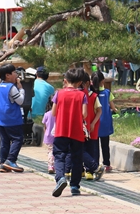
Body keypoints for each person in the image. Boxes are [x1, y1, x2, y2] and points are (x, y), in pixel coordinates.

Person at [51, 68, 89, 197]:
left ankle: (60, 178)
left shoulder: (59, 93)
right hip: (77, 132)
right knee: (77, 159)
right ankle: (75, 186)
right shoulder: (82, 95)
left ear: (66, 80)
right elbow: (84, 114)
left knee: (59, 155)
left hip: (61, 130)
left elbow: (54, 113)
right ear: (80, 83)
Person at [0, 64, 25, 173]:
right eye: (14, 72)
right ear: (8, 75)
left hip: (1, 119)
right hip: (12, 119)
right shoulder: (12, 88)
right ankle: (11, 160)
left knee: (5, 141)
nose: (16, 74)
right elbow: (20, 101)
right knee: (18, 139)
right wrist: (21, 89)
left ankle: (3, 163)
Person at [93, 71, 116, 172]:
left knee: (94, 146)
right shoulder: (107, 93)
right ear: (103, 81)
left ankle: (95, 163)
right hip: (105, 123)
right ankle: (107, 164)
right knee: (105, 145)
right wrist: (115, 110)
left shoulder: (92, 94)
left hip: (95, 122)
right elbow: (112, 106)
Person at [42, 97, 56, 174]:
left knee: (50, 151)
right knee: (57, 151)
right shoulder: (59, 113)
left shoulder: (47, 114)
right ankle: (55, 166)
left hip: (48, 136)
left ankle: (50, 165)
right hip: (57, 135)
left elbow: (45, 126)